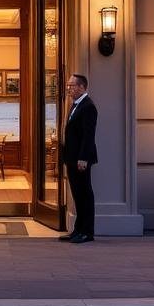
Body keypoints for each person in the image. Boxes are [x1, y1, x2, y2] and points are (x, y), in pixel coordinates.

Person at [59, 73, 97, 243]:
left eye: (72, 86)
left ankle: (87, 232)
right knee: (77, 195)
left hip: (81, 160)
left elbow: (88, 136)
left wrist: (83, 158)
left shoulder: (88, 106)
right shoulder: (75, 105)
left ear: (82, 87)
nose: (69, 89)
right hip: (72, 159)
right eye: (68, 86)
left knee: (85, 195)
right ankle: (77, 230)